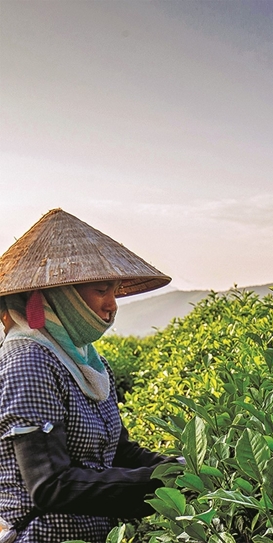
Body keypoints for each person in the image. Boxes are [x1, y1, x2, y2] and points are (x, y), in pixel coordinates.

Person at [0, 209, 179, 542]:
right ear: (61, 293)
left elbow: (118, 452)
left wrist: (181, 468)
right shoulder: (29, 360)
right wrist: (160, 481)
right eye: (101, 290)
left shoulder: (90, 362)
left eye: (114, 291)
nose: (112, 305)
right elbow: (50, 485)